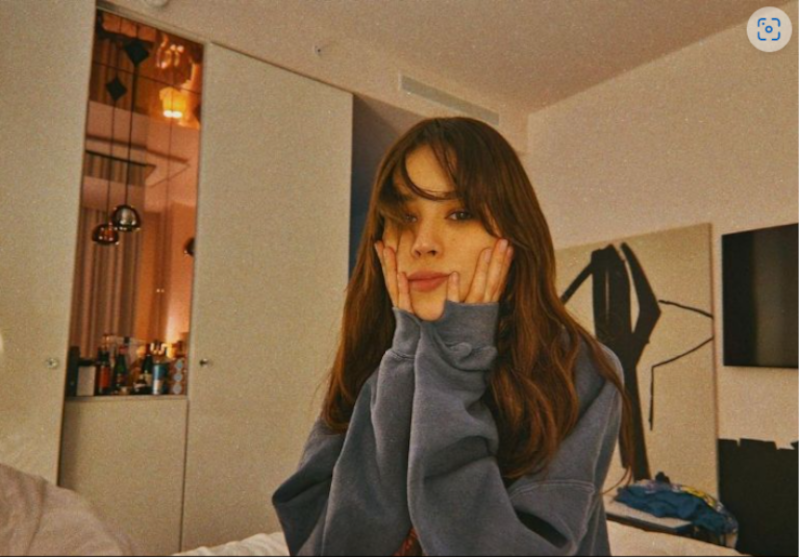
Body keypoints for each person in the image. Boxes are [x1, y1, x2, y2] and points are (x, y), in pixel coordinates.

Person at [271, 117, 636, 556]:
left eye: (460, 214)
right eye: (405, 216)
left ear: (513, 232)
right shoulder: (373, 356)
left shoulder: (581, 368)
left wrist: (455, 362)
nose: (423, 242)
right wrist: (405, 359)